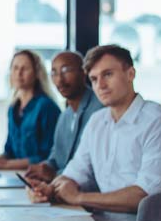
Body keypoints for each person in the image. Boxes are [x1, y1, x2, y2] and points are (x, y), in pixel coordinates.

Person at [28, 45, 161, 213]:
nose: (100, 85)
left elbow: (145, 195)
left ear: (131, 74)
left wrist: (79, 198)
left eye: (108, 74)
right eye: (94, 79)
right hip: (97, 217)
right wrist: (50, 189)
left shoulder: (156, 120)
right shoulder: (97, 121)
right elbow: (75, 172)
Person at [0, 50, 61, 170]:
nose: (18, 73)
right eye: (15, 68)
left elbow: (48, 157)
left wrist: (5, 164)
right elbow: (9, 152)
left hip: (39, 178)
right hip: (15, 175)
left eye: (24, 68)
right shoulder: (12, 108)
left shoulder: (47, 107)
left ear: (37, 73)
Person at [25, 51, 103, 182]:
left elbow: (92, 167)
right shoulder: (65, 116)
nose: (59, 79)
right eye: (54, 73)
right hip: (62, 187)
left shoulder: (100, 110)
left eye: (66, 70)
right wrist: (44, 168)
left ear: (84, 72)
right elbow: (55, 157)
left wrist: (55, 176)